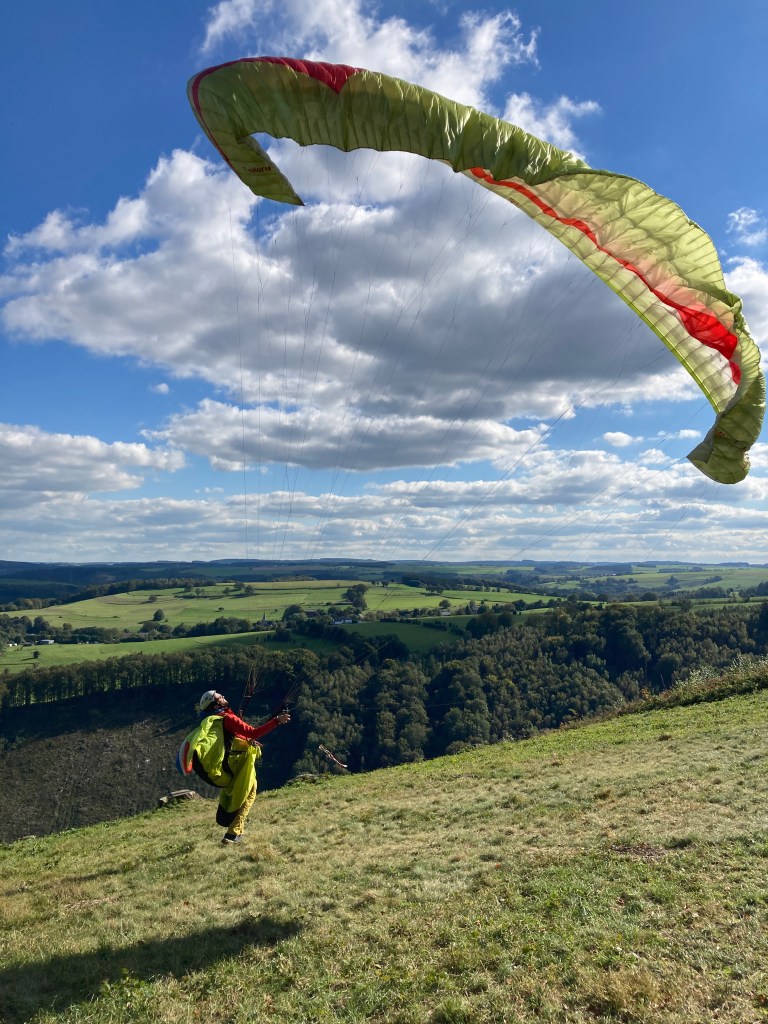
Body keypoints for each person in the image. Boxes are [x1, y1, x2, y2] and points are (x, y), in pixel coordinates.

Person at [178, 690, 291, 845]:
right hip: (237, 764)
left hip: (229, 765)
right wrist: (277, 721)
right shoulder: (227, 718)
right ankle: (232, 833)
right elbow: (254, 732)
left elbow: (232, 737)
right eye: (220, 697)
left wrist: (247, 740)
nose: (224, 697)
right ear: (216, 705)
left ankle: (234, 830)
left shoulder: (215, 719)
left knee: (246, 791)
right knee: (250, 792)